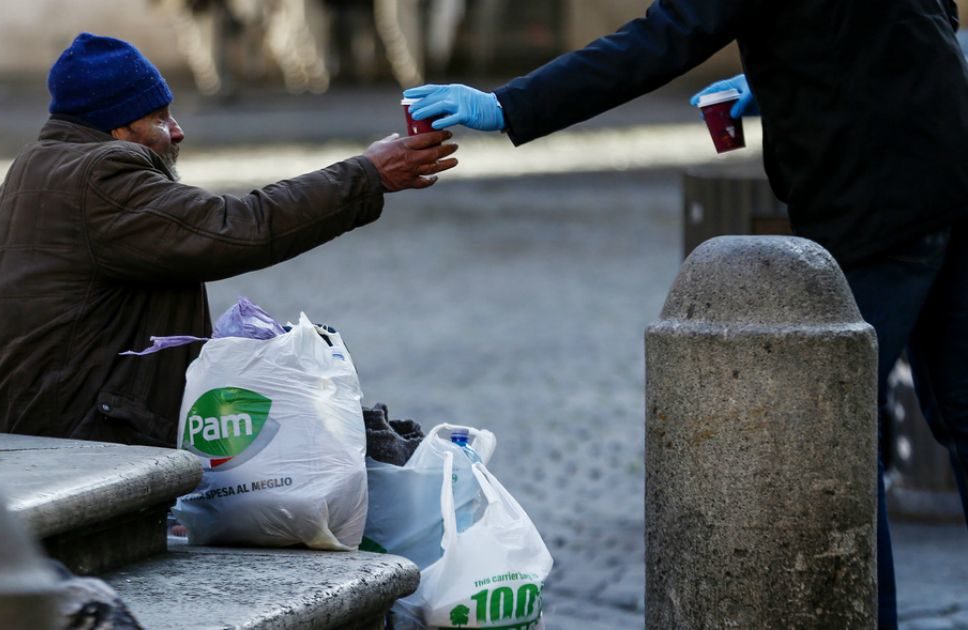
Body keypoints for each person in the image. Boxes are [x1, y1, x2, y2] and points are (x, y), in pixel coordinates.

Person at [401, 1, 968, 627]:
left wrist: (508, 105)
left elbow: (659, 41)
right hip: (953, 158)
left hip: (874, 200)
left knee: (839, 439)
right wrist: (791, 67)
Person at [0, 32, 457, 449]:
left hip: (32, 427)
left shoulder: (35, 168)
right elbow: (234, 227)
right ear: (117, 128)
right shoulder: (99, 175)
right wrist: (366, 174)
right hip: (74, 437)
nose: (177, 132)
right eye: (159, 118)